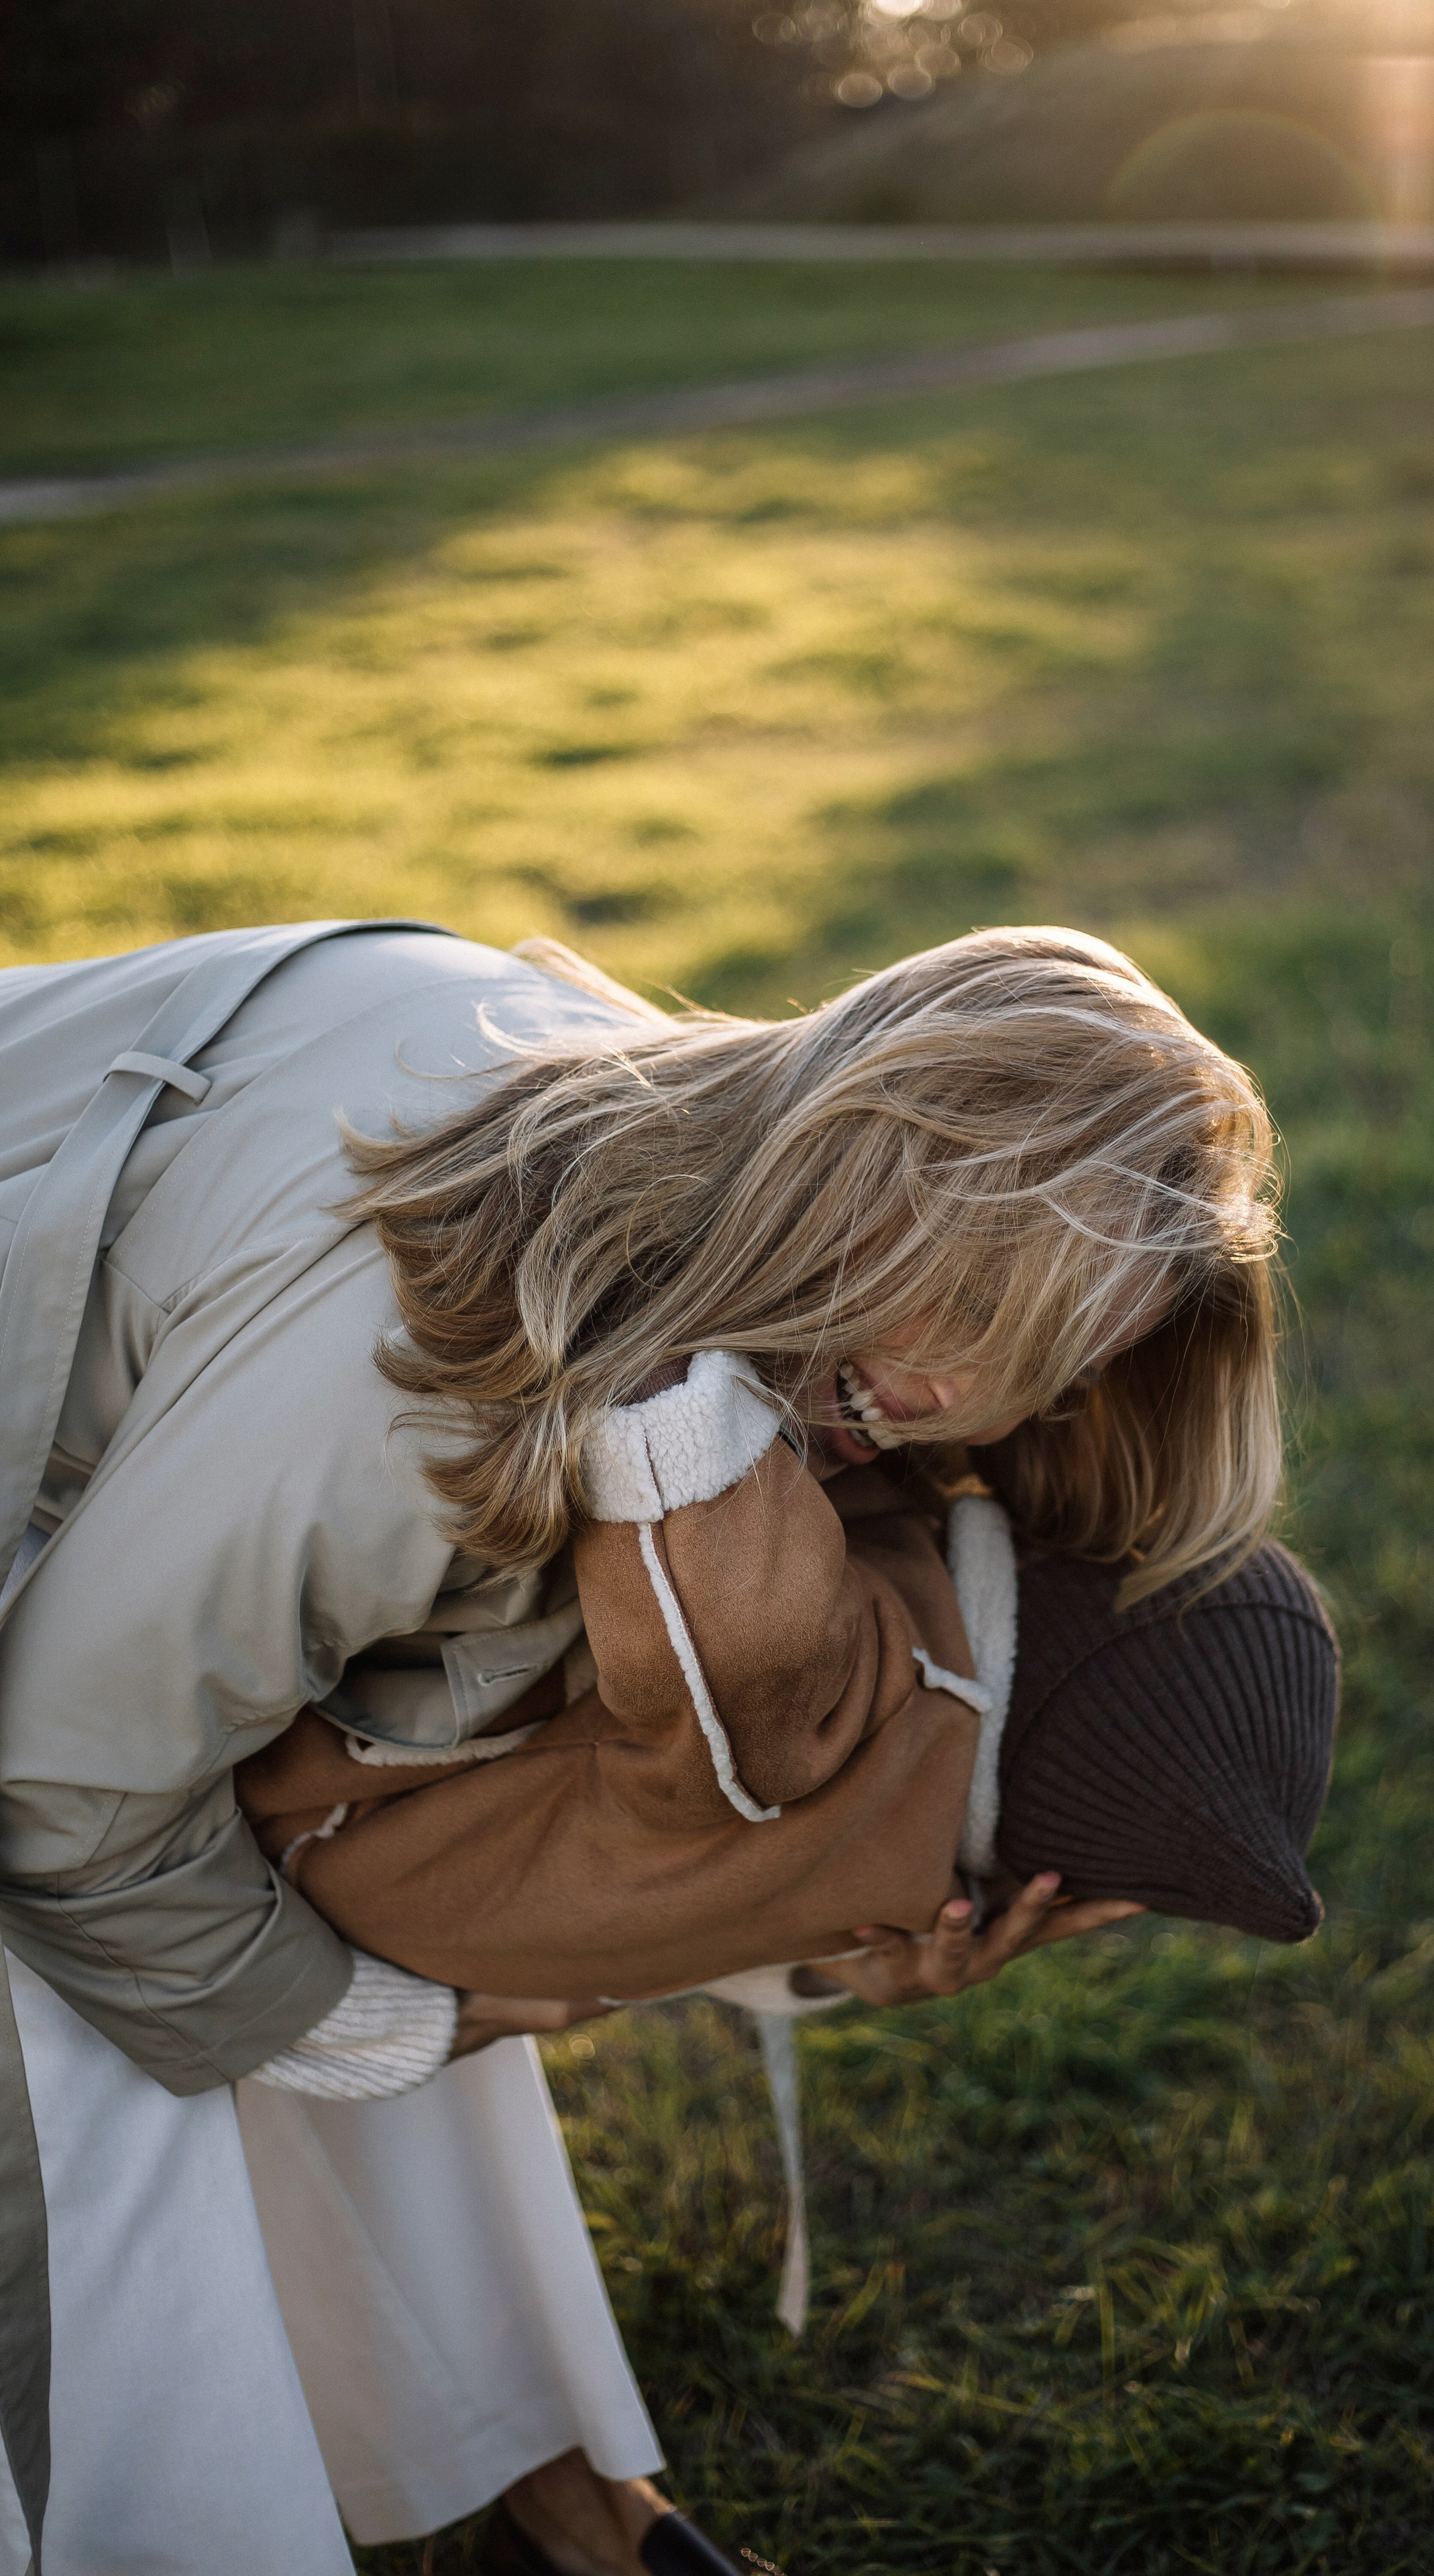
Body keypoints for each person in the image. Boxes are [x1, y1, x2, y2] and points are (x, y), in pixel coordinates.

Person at [0, 916, 1284, 2576]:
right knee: (78, 2040)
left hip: (107, 1485)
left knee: (250, 1929)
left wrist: (790, 1935)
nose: (944, 1403)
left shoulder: (712, 1239)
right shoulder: (411, 1378)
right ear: (850, 1161)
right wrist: (379, 2019)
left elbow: (522, 1752)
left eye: (1034, 1373)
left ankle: (543, 2497)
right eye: (924, 1348)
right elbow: (59, 1797)